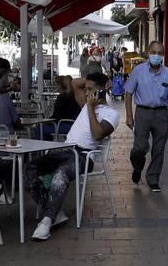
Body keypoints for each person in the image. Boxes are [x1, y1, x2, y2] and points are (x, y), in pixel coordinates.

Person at [26, 72, 118, 241]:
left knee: (61, 175)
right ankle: (54, 211)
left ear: (102, 91)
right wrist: (101, 80)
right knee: (30, 168)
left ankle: (47, 221)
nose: (87, 92)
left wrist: (91, 106)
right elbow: (75, 83)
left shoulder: (110, 114)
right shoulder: (84, 103)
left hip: (85, 155)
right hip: (65, 149)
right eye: (87, 89)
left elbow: (98, 134)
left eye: (91, 89)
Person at [125, 41, 168, 192]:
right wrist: (129, 115)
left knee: (159, 149)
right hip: (142, 112)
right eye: (154, 52)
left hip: (161, 114)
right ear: (148, 53)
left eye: (160, 53)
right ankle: (137, 168)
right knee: (139, 148)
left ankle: (153, 179)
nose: (157, 55)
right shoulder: (138, 71)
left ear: (163, 55)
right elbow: (128, 93)